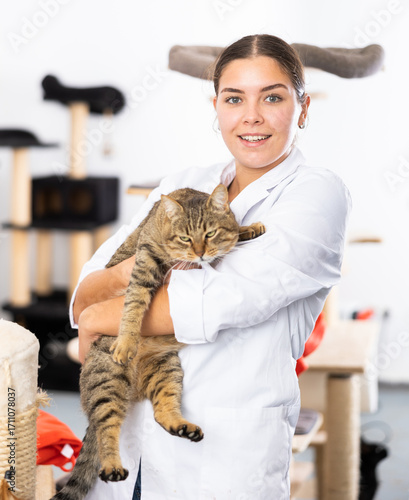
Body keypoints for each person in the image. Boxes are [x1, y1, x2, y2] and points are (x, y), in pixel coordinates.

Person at [70, 34, 351, 500]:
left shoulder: (317, 194)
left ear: (302, 109)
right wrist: (121, 283)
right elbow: (85, 293)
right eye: (234, 98)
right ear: (217, 108)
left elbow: (210, 303)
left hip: (220, 462)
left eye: (273, 97)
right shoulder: (183, 185)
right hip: (130, 445)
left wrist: (102, 314)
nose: (252, 116)